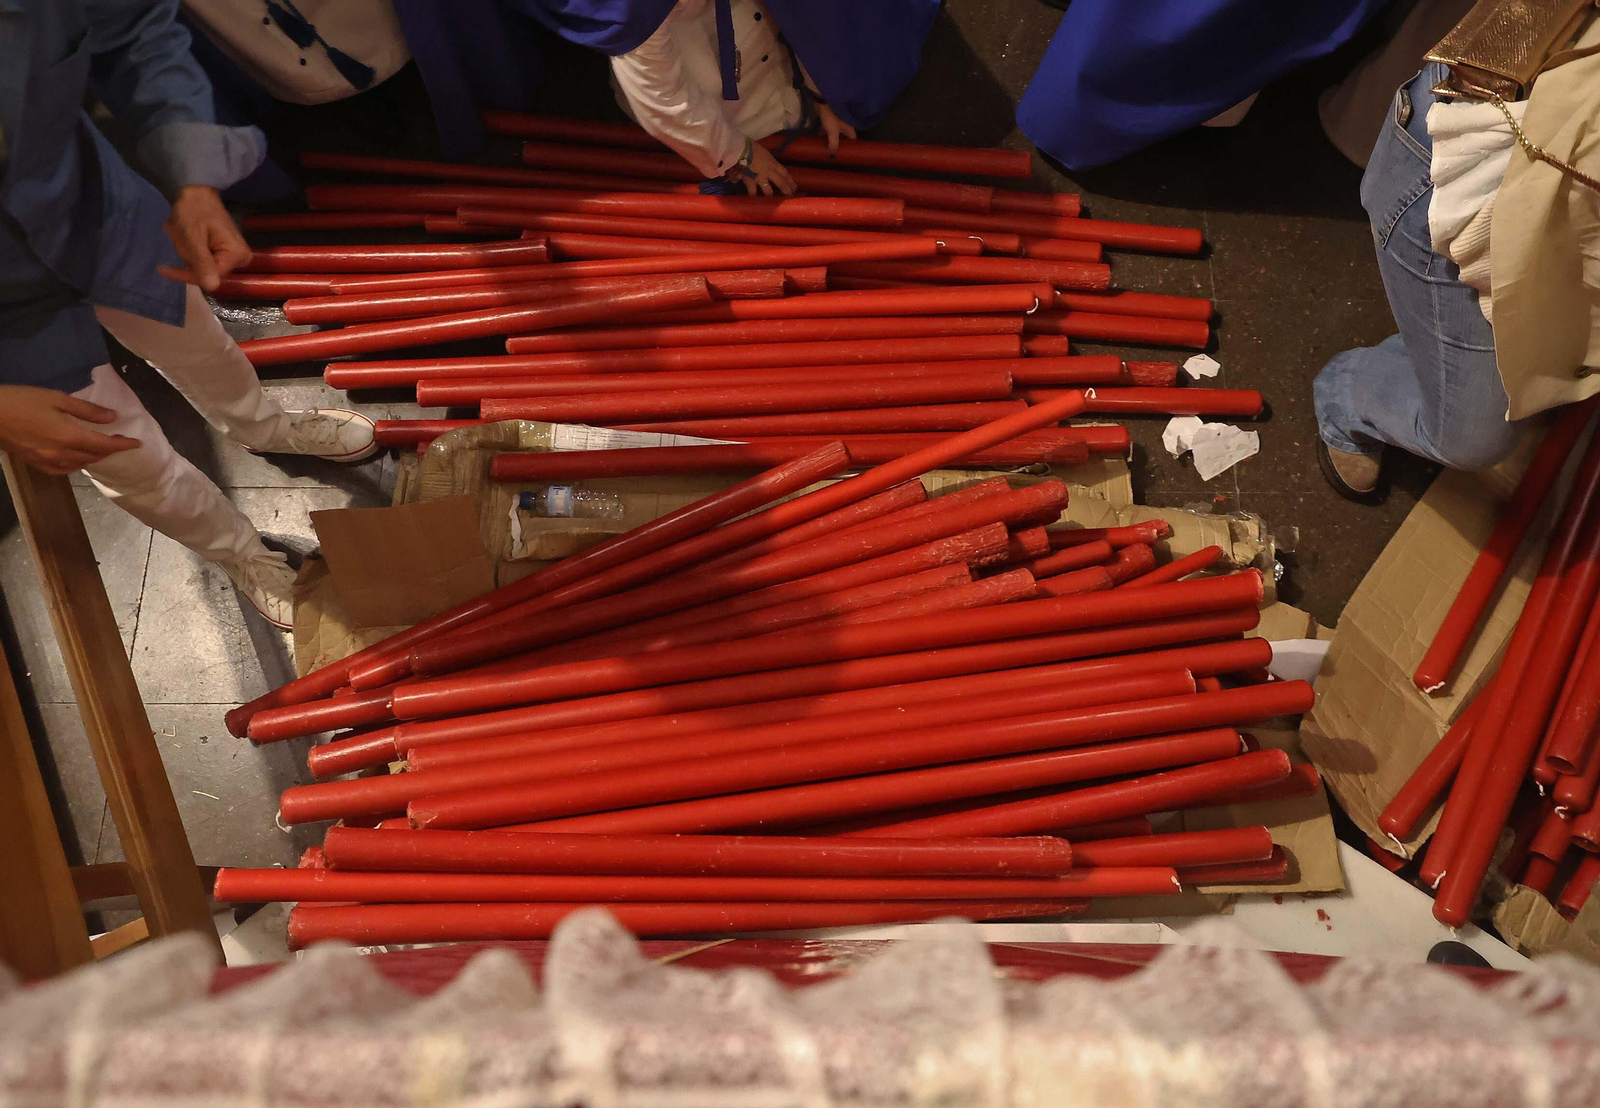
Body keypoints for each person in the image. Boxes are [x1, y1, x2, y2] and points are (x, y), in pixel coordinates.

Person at [0, 0, 379, 630]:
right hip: (9, 343)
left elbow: (135, 28)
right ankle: (238, 553)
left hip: (93, 212)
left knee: (200, 341)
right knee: (130, 458)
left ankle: (262, 427)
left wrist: (191, 176)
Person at [1314, 10, 1600, 498]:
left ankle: (1439, 358)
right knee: (1472, 437)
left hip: (1552, 200)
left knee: (1528, 371)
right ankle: (1344, 396)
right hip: (1471, 174)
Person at [608, 0, 857, 195]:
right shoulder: (632, 10)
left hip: (786, 91)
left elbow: (803, 11)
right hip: (699, 134)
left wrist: (822, 91)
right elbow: (660, 95)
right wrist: (738, 154)